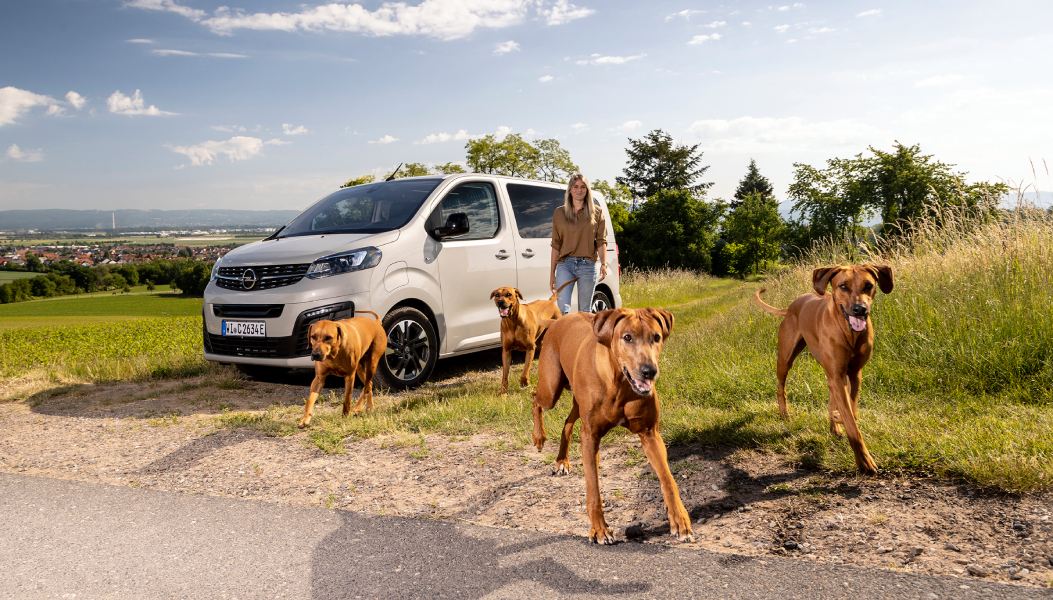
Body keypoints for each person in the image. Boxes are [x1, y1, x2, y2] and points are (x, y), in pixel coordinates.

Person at [550, 173, 607, 315]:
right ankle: (565, 338)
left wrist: (604, 264)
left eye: (583, 187)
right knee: (562, 309)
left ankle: (582, 337)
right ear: (570, 189)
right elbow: (556, 244)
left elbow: (601, 241)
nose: (579, 190)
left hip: (587, 266)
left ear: (587, 190)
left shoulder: (597, 212)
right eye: (575, 187)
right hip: (565, 265)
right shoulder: (559, 212)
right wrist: (552, 273)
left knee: (585, 311)